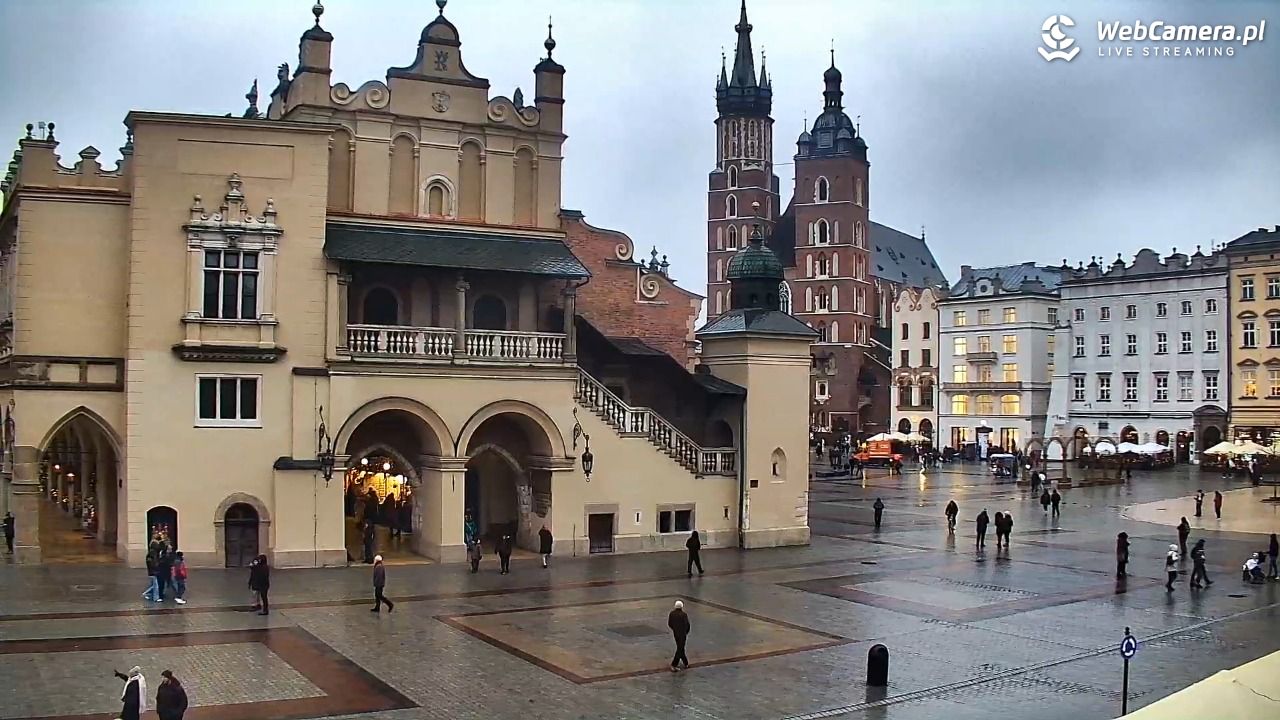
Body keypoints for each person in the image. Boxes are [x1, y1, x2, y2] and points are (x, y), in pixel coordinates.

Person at [667, 599, 690, 672]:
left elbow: (670, 623)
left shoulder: (672, 613)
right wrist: (686, 631)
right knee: (680, 649)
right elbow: (687, 625)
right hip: (682, 634)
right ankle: (674, 664)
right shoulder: (684, 614)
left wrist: (674, 629)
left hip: (676, 633)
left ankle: (686, 663)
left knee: (680, 648)